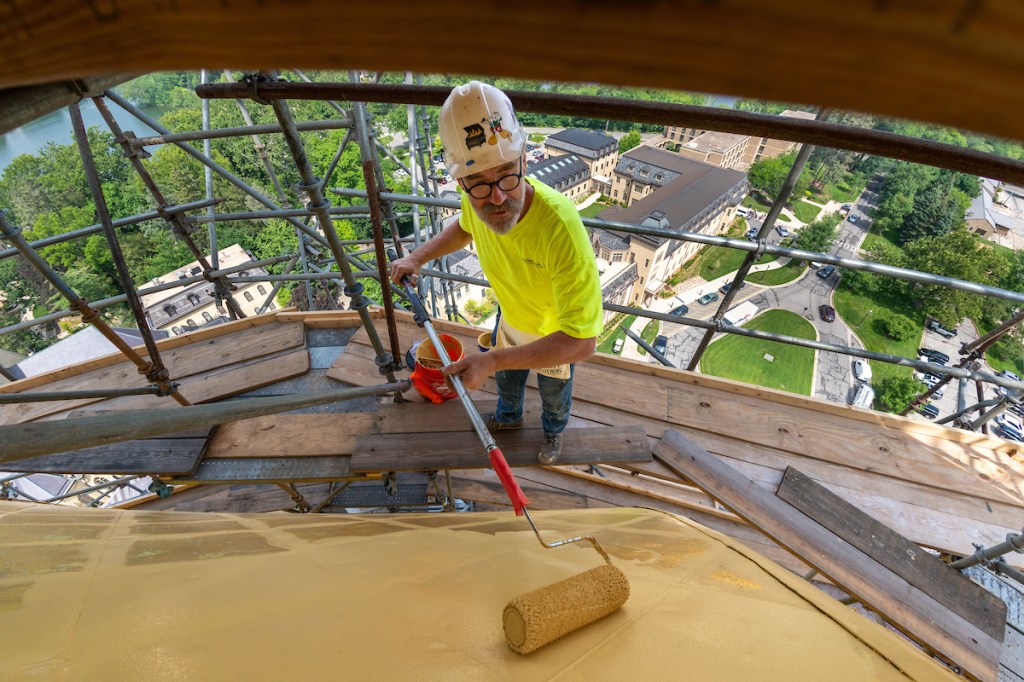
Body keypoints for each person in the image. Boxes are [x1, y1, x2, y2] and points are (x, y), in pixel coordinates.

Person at [390, 81, 602, 465]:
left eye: (508, 175)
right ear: (461, 182)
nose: (499, 198)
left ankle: (553, 435)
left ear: (524, 160)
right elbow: (466, 225)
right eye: (480, 185)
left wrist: (492, 360)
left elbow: (583, 341)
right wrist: (417, 257)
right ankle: (508, 417)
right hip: (511, 318)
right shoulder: (478, 197)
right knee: (507, 383)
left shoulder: (560, 229)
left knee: (555, 396)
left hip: (556, 338)